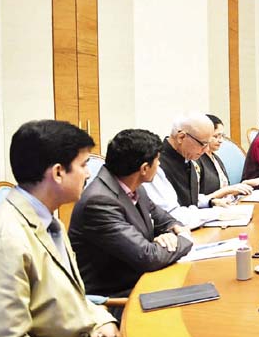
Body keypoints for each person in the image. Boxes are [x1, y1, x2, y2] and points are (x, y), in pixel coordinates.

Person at [0, 120, 119, 337]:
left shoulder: (49, 221)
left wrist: (101, 319)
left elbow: (64, 296)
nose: (88, 174)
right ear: (58, 172)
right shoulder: (6, 241)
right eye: (83, 165)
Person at [69, 129, 193, 302]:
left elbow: (166, 220)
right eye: (157, 161)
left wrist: (169, 235)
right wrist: (184, 238)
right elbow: (149, 257)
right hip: (116, 298)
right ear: (144, 168)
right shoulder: (99, 202)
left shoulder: (135, 187)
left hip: (144, 281)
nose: (159, 166)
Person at [143, 113, 235, 228]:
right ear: (181, 137)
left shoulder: (186, 157)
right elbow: (170, 214)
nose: (206, 149)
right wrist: (216, 213)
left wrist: (209, 201)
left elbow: (187, 198)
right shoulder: (156, 165)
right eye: (203, 144)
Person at [198, 114, 259, 197]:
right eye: (216, 136)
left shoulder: (215, 158)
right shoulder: (197, 160)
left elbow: (225, 190)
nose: (221, 140)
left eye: (222, 136)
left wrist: (245, 185)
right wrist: (228, 191)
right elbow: (201, 199)